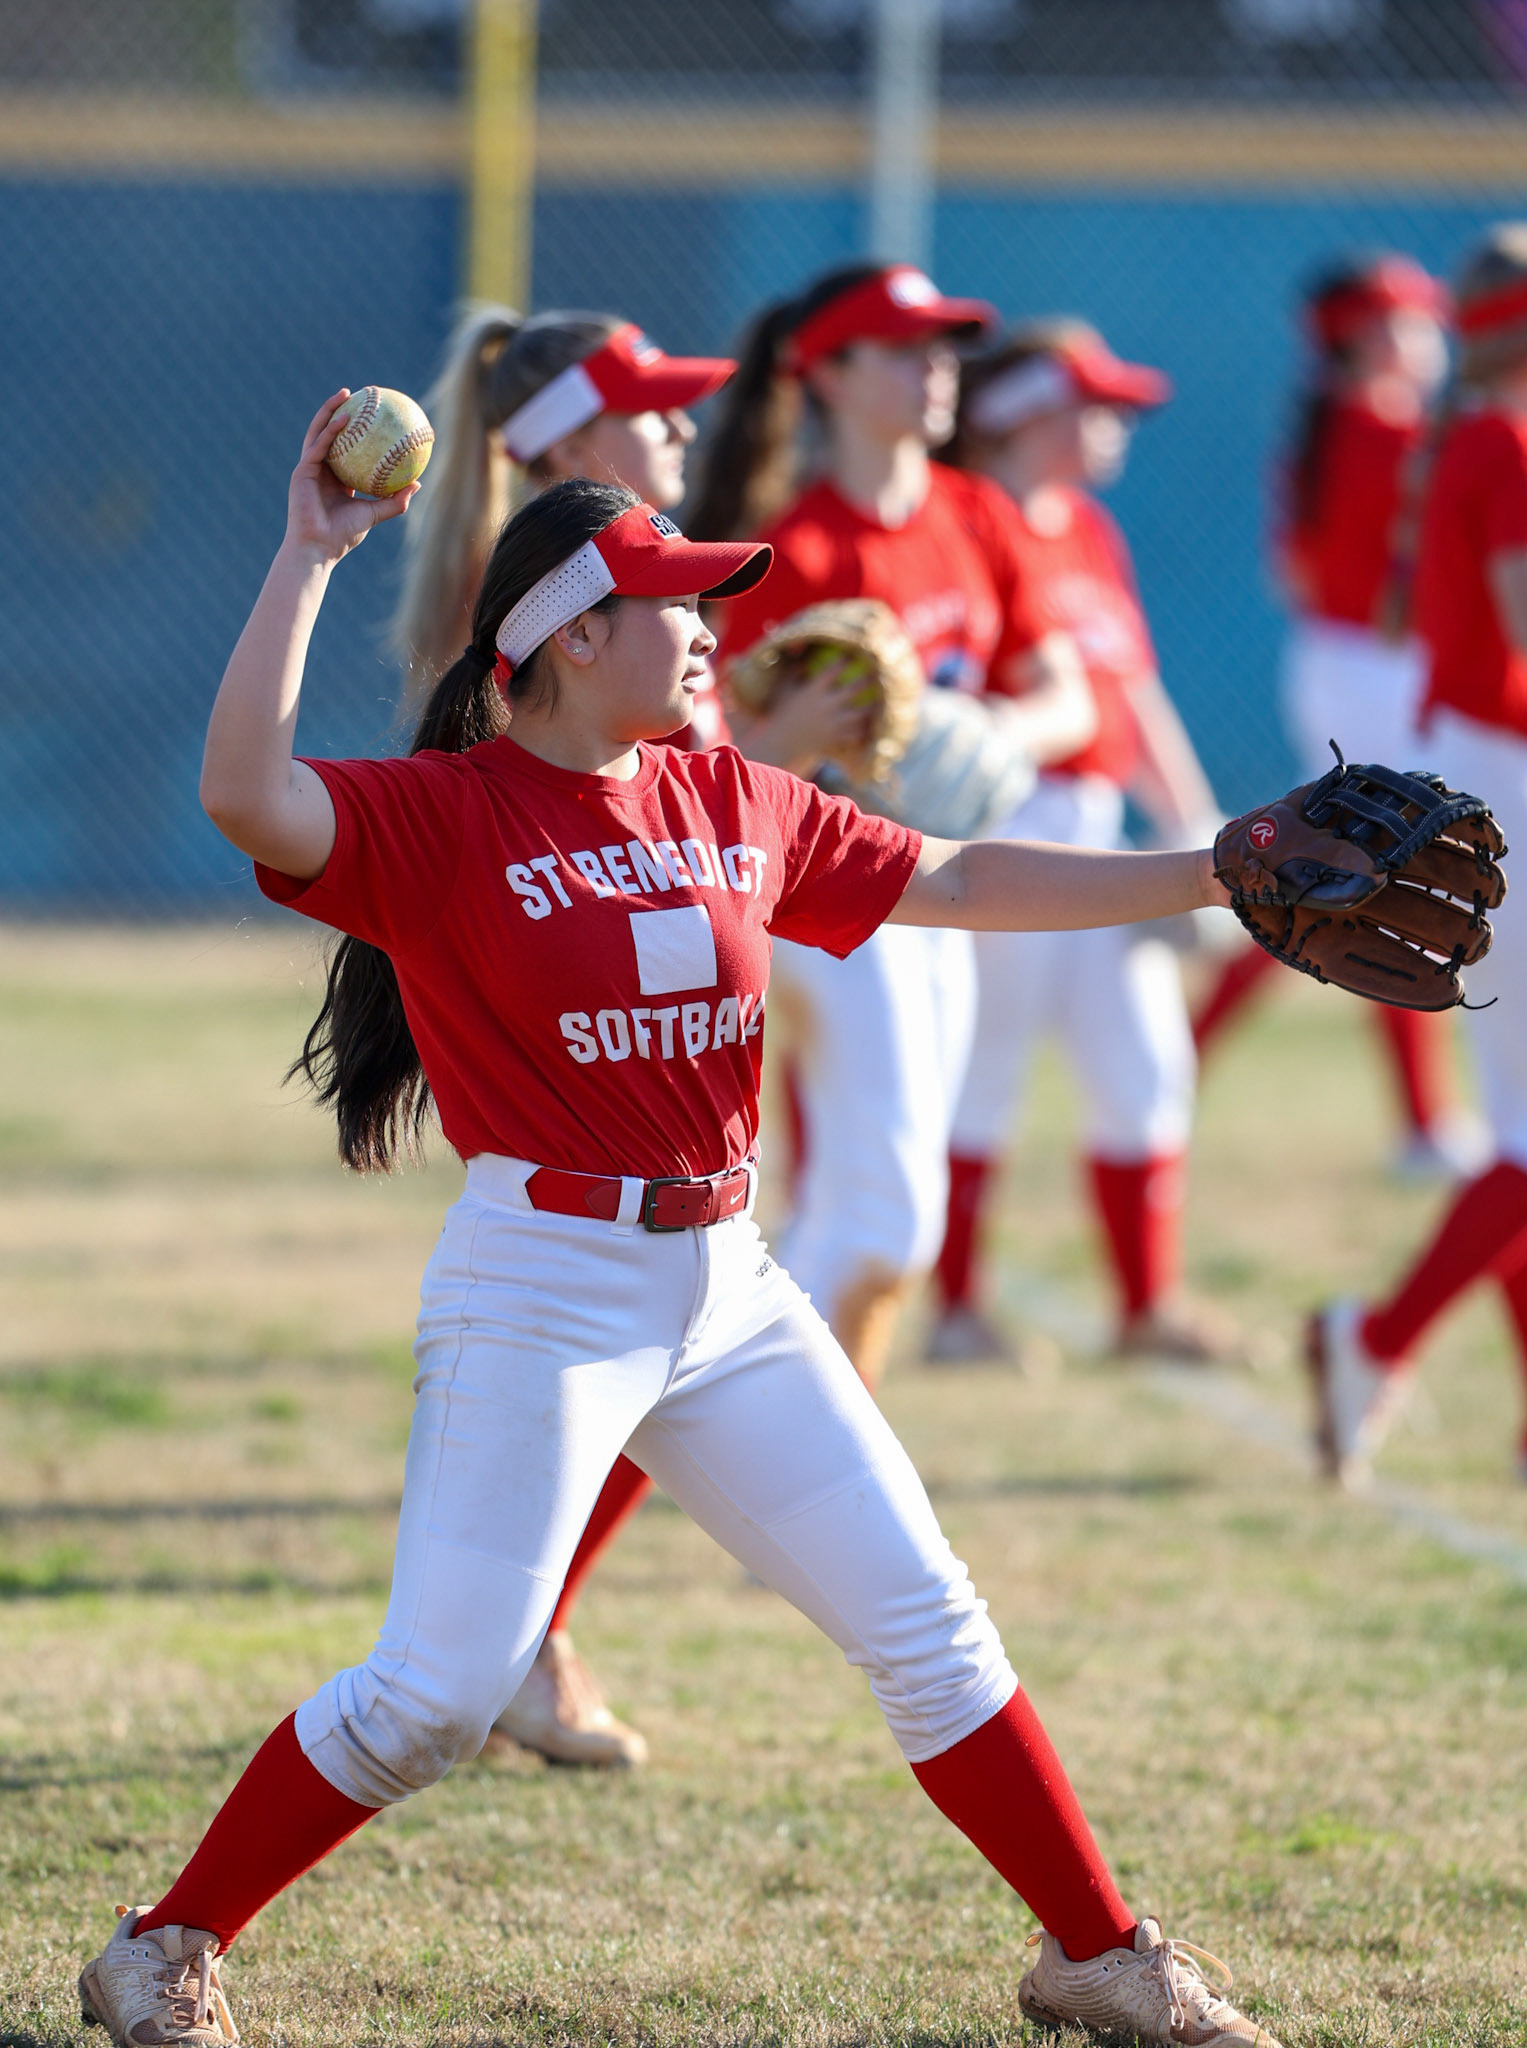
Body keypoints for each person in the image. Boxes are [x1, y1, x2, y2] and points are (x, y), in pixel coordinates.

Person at [75, 395, 1287, 2048]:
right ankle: (166, 1936)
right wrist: (306, 555)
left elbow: (959, 877)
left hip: (727, 1283)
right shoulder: (449, 817)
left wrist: (1220, 864)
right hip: (544, 1285)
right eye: (668, 601)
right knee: (435, 1693)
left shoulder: (729, 795)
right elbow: (244, 794)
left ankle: (1101, 1950)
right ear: (565, 641)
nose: (709, 625)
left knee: (928, 1619)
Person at [392, 303, 751, 1769]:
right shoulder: (552, 591)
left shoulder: (617, 590)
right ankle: (517, 1637)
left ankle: (521, 1629)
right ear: (560, 441)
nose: (677, 432)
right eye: (649, 410)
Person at [691, 262, 1096, 1388]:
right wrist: (800, 738)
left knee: (881, 1219)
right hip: (823, 895)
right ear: (826, 373)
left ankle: (800, 1435)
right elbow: (712, 772)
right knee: (880, 1213)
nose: (938, 369)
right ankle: (766, 1436)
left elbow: (1068, 696)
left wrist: (995, 733)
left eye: (944, 346)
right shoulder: (789, 547)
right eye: (905, 347)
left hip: (931, 891)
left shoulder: (975, 513)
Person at [1309, 224, 1527, 1485]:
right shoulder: (1515, 445)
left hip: (1487, 785)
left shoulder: (1487, 439)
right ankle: (1372, 1337)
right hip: (1506, 791)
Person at [928, 320, 1232, 1363]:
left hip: (1097, 823)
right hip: (1003, 823)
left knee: (1144, 1057)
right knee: (986, 1060)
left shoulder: (1088, 529)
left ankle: (1147, 1308)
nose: (1112, 423)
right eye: (1088, 402)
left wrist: (1191, 822)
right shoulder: (965, 518)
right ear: (1018, 415)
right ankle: (955, 1306)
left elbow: (1127, 688)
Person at [1193, 254, 1481, 1180]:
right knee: (1375, 882)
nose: (1433, 340)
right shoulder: (1385, 429)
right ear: (1369, 340)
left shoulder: (1336, 427)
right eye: (1414, 324)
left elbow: (1298, 574)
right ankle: (1425, 1126)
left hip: (1344, 659)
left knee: (1366, 883)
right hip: (1374, 669)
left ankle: (1423, 1123)